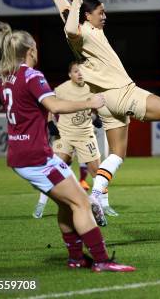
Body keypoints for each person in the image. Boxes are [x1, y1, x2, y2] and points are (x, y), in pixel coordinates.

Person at [33, 0, 160, 226]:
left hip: (105, 101)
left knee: (117, 154)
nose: (105, 16)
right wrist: (77, 3)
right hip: (122, 92)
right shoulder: (79, 31)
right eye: (100, 12)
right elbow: (68, 27)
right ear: (88, 15)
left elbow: (59, 2)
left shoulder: (80, 23)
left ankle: (98, 194)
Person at [0, 21, 134, 272]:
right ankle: (102, 260)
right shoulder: (32, 75)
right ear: (31, 50)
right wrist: (90, 101)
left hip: (20, 155)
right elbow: (55, 106)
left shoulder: (4, 78)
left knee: (68, 204)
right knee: (82, 204)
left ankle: (76, 258)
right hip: (36, 157)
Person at [33, 61, 119, 218]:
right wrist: (50, 123)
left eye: (81, 71)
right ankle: (41, 204)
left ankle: (105, 205)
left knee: (98, 172)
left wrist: (95, 118)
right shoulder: (61, 89)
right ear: (69, 74)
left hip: (86, 135)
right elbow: (51, 107)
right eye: (75, 71)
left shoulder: (91, 89)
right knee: (54, 170)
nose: (79, 74)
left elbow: (91, 110)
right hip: (64, 135)